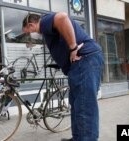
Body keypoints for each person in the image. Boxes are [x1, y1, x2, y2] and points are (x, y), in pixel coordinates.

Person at [22, 13, 104, 141]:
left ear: (31, 25)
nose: (29, 35)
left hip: (85, 60)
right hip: (78, 65)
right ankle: (77, 138)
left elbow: (62, 18)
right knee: (77, 105)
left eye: (28, 32)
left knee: (84, 105)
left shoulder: (44, 21)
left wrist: (73, 47)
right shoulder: (46, 28)